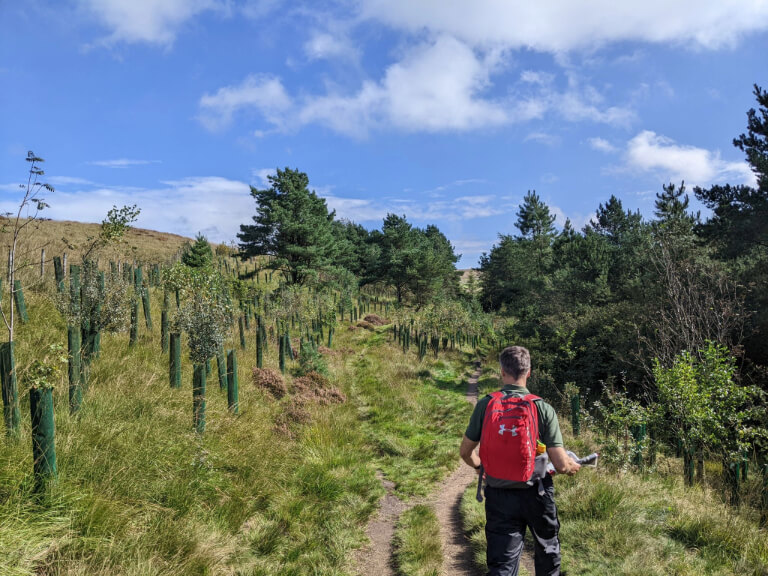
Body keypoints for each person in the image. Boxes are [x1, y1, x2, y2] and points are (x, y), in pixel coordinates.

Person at [460, 346, 580, 576]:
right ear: (529, 372)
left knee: (502, 563)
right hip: (538, 493)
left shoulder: (486, 404)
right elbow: (562, 464)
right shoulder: (542, 407)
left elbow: (465, 452)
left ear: (502, 371)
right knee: (547, 550)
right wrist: (572, 466)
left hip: (499, 494)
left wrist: (479, 467)